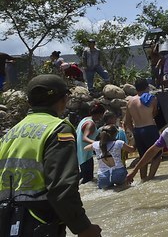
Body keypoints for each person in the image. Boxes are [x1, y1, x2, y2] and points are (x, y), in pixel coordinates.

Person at [0, 74, 101, 236]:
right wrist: (83, 228)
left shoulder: (9, 135)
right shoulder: (57, 129)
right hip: (39, 223)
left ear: (29, 102)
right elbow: (62, 188)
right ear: (64, 99)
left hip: (6, 223)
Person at [124, 78, 161, 180]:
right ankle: (150, 178)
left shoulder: (130, 101)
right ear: (147, 87)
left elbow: (127, 122)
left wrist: (134, 131)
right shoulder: (151, 98)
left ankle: (143, 179)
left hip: (137, 131)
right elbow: (154, 114)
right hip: (149, 128)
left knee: (143, 157)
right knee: (157, 154)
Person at [85, 124, 135, 189]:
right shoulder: (119, 143)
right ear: (115, 134)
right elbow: (132, 150)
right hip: (119, 173)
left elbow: (85, 148)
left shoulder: (96, 144)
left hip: (103, 175)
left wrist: (97, 144)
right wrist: (134, 140)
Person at [76, 103, 106, 184]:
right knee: (88, 180)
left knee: (83, 178)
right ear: (100, 114)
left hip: (80, 154)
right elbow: (85, 138)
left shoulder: (84, 120)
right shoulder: (90, 124)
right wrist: (98, 143)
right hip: (86, 155)